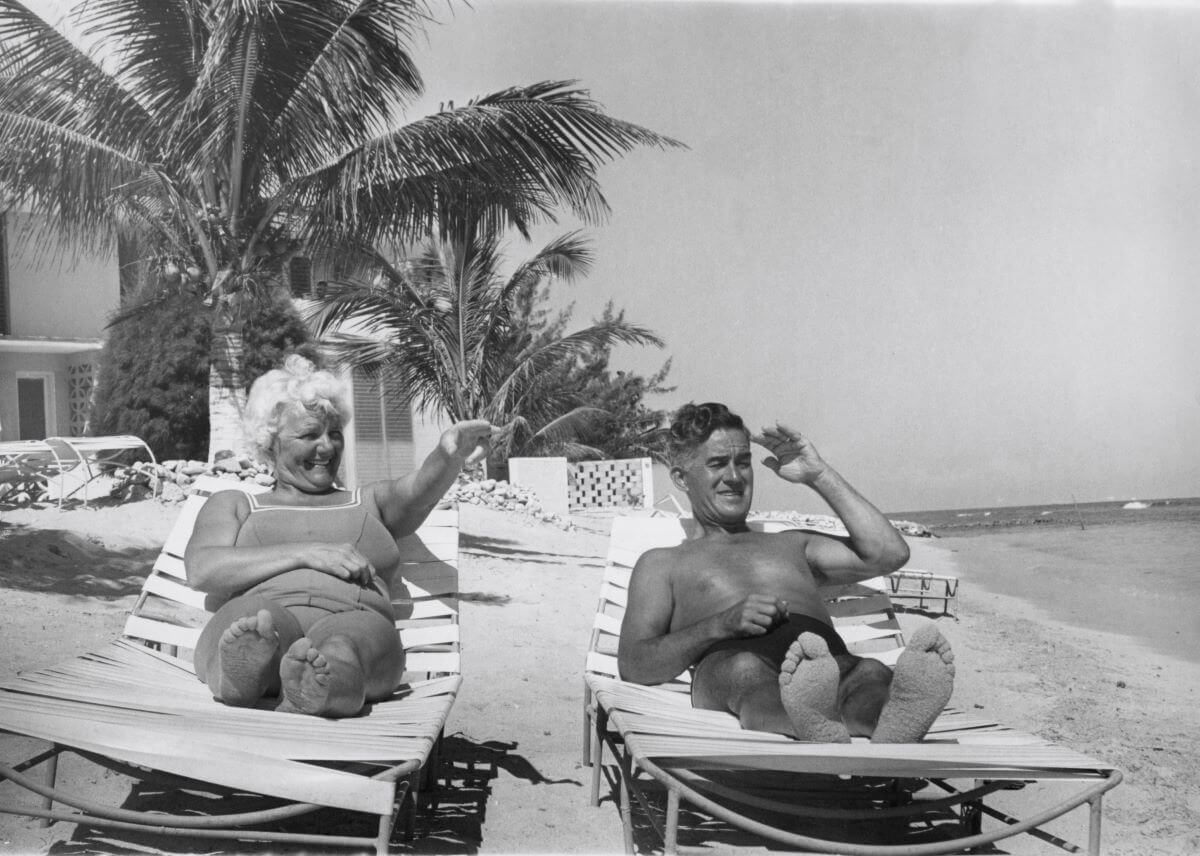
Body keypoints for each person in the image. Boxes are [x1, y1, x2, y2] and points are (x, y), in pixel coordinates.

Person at [618, 402, 954, 743]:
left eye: (743, 462)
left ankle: (889, 722)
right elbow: (633, 663)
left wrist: (818, 475)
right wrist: (720, 624)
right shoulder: (663, 563)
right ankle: (805, 721)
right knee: (746, 671)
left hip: (823, 662)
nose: (735, 477)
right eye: (718, 464)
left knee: (868, 673)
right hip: (728, 663)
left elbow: (890, 553)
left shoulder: (792, 545)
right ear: (680, 478)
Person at [186, 354, 493, 718]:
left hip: (356, 614)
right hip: (264, 611)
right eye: (308, 435)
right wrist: (308, 553)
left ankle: (324, 685)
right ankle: (242, 674)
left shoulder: (369, 501)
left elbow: (417, 491)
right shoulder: (238, 503)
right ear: (270, 444)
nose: (327, 447)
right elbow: (203, 569)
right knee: (251, 623)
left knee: (344, 645)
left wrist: (448, 456)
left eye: (333, 433)